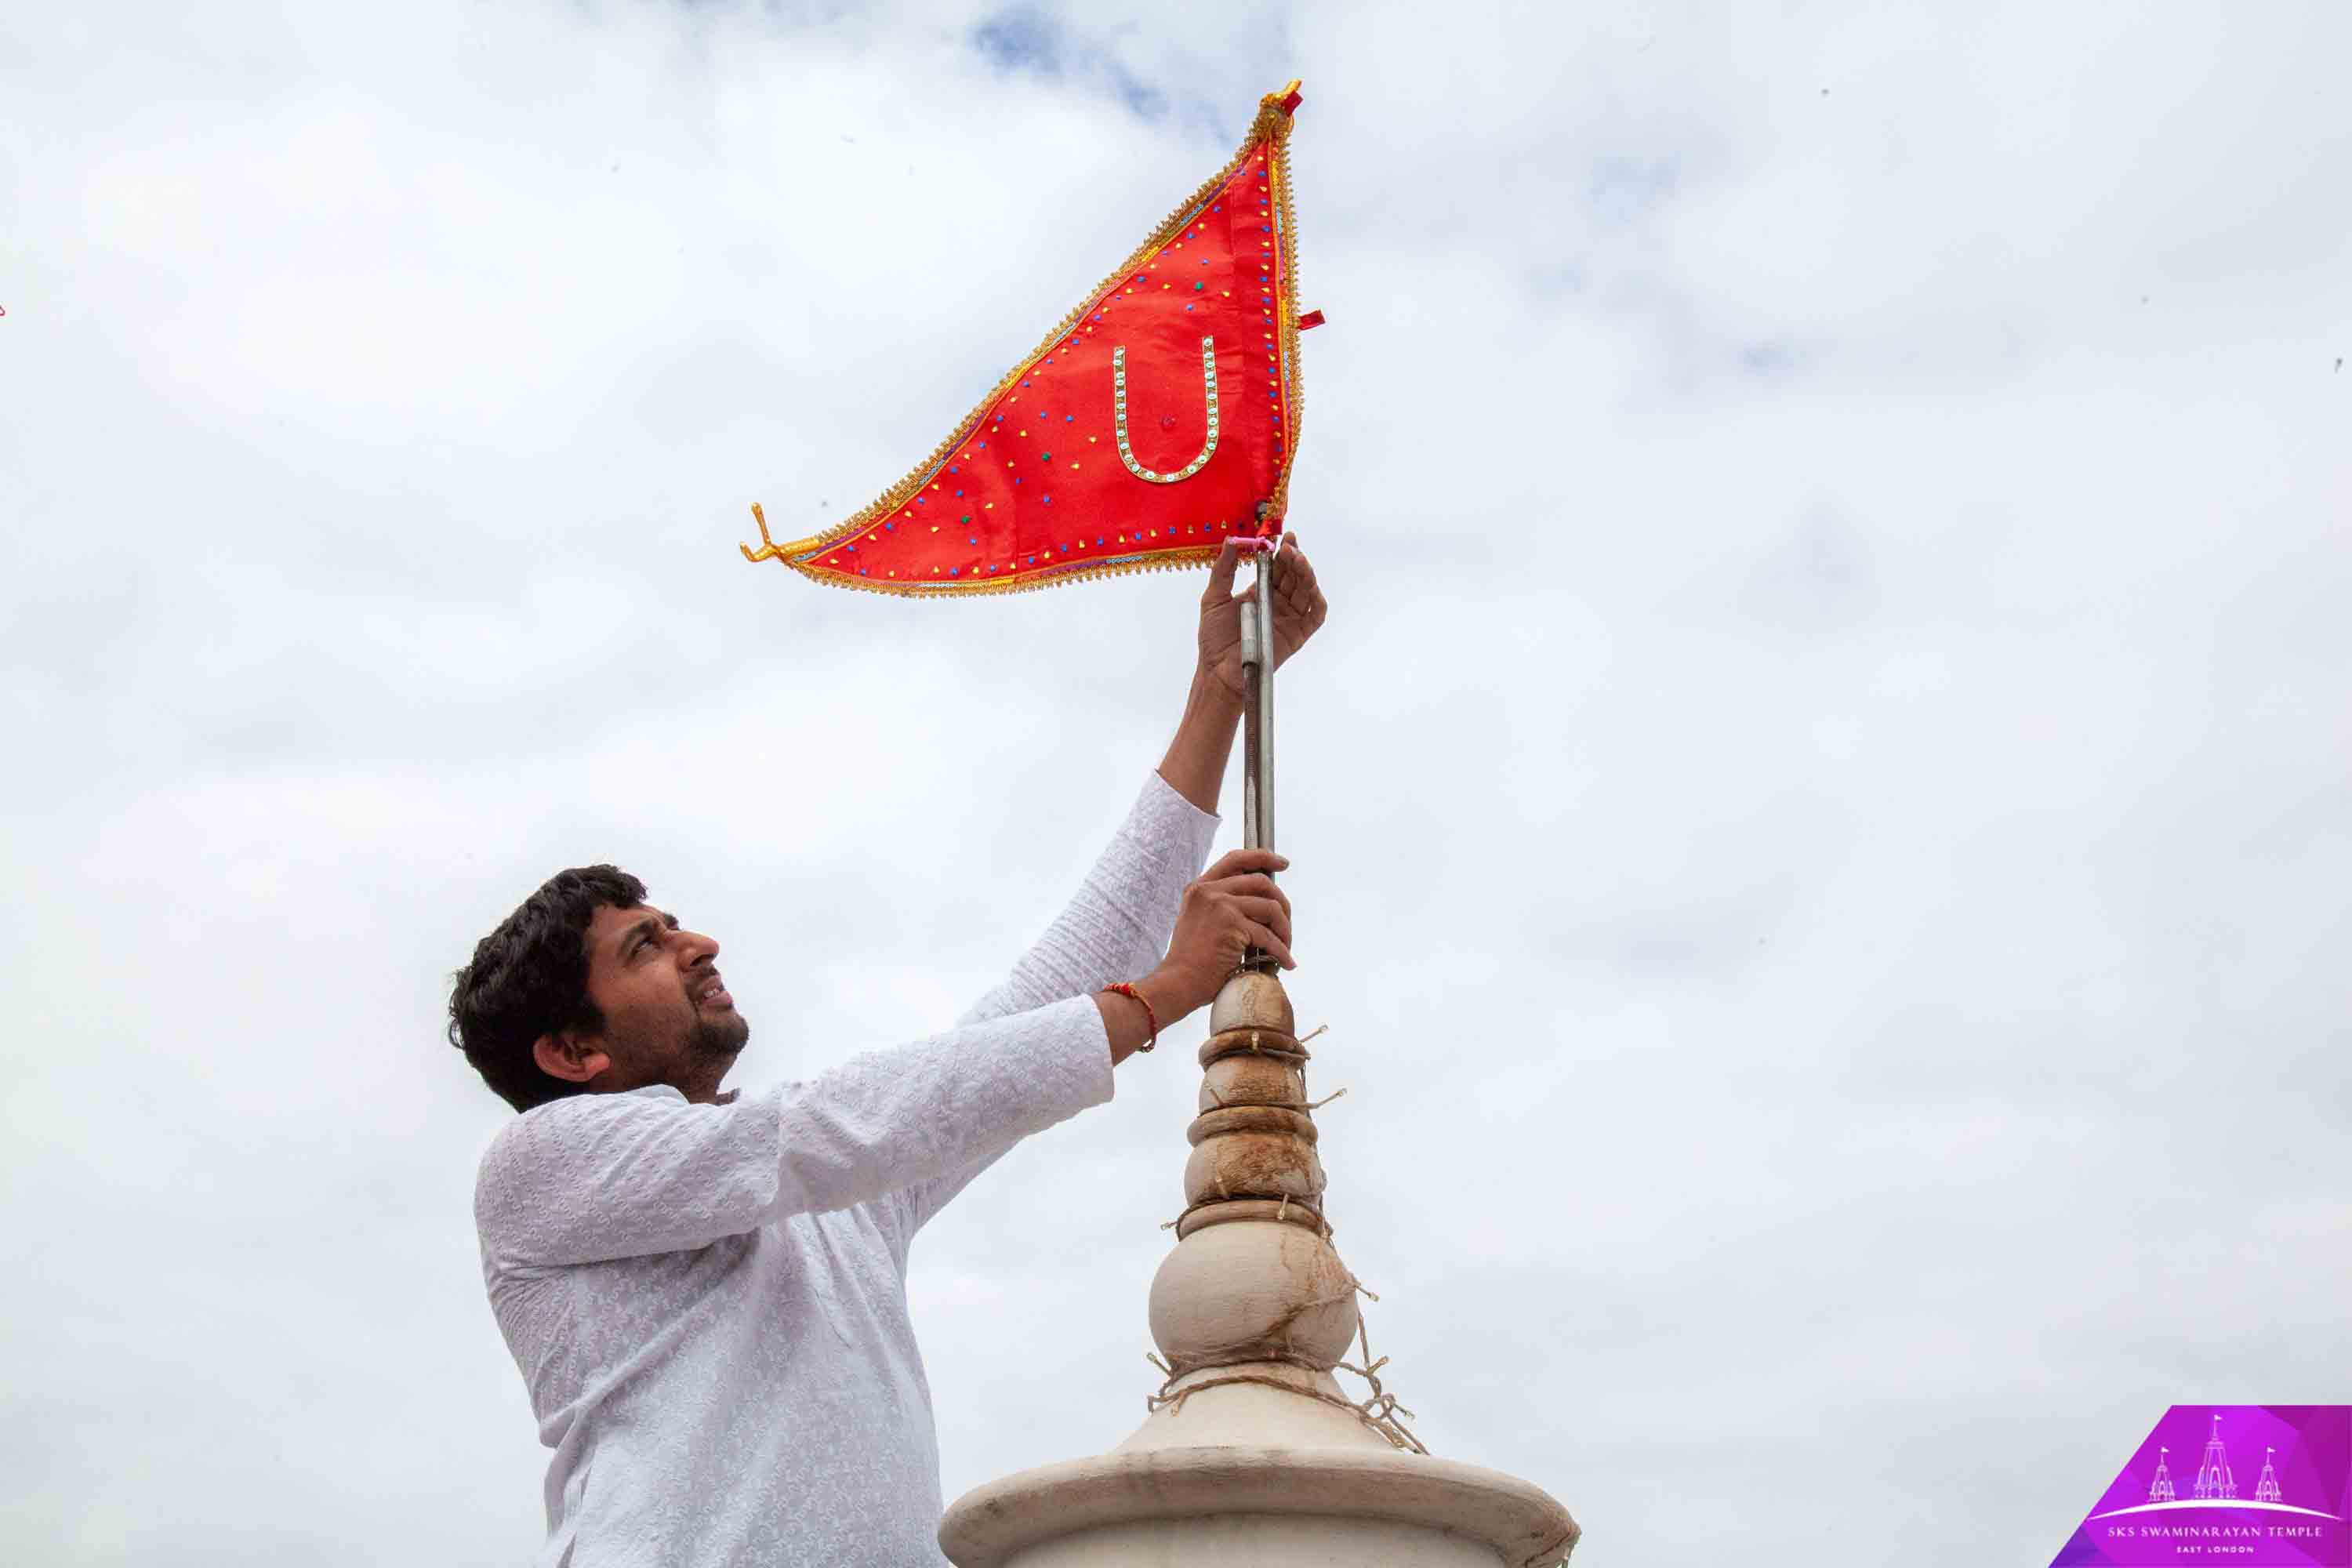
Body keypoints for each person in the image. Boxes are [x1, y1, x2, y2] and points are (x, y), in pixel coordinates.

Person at [448, 535, 1327, 1566]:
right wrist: (1166, 992)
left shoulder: (828, 1204)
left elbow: (1043, 999)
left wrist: (1220, 691)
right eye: (644, 947)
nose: (700, 944)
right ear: (569, 1054)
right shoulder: (538, 1170)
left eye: (675, 924)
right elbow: (825, 1128)